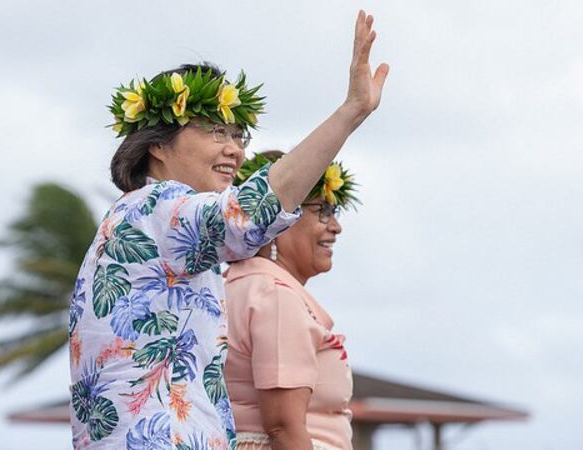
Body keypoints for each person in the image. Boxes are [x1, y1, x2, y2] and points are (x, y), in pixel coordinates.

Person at [68, 10, 388, 449]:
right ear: (157, 145)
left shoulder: (137, 220)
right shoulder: (157, 208)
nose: (235, 151)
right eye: (217, 132)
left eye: (240, 137)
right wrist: (349, 114)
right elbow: (252, 212)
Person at [224, 151, 358, 450]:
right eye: (322, 210)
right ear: (278, 220)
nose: (336, 227)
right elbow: (284, 428)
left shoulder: (239, 284)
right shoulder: (275, 296)